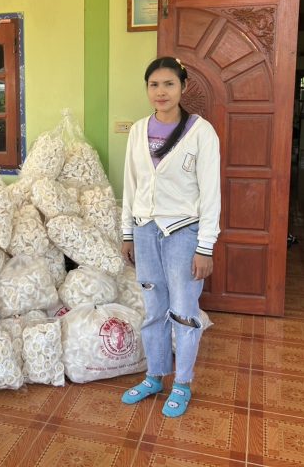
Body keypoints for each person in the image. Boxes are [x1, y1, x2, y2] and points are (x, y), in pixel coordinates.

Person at [120, 56, 221, 418]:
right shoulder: (137, 131)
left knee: (184, 312)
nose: (160, 92)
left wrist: (205, 247)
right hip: (146, 232)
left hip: (183, 234)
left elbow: (211, 194)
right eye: (153, 85)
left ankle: (182, 383)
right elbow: (131, 186)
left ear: (183, 87)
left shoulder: (200, 132)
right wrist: (127, 232)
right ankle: (155, 376)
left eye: (168, 84)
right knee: (152, 311)